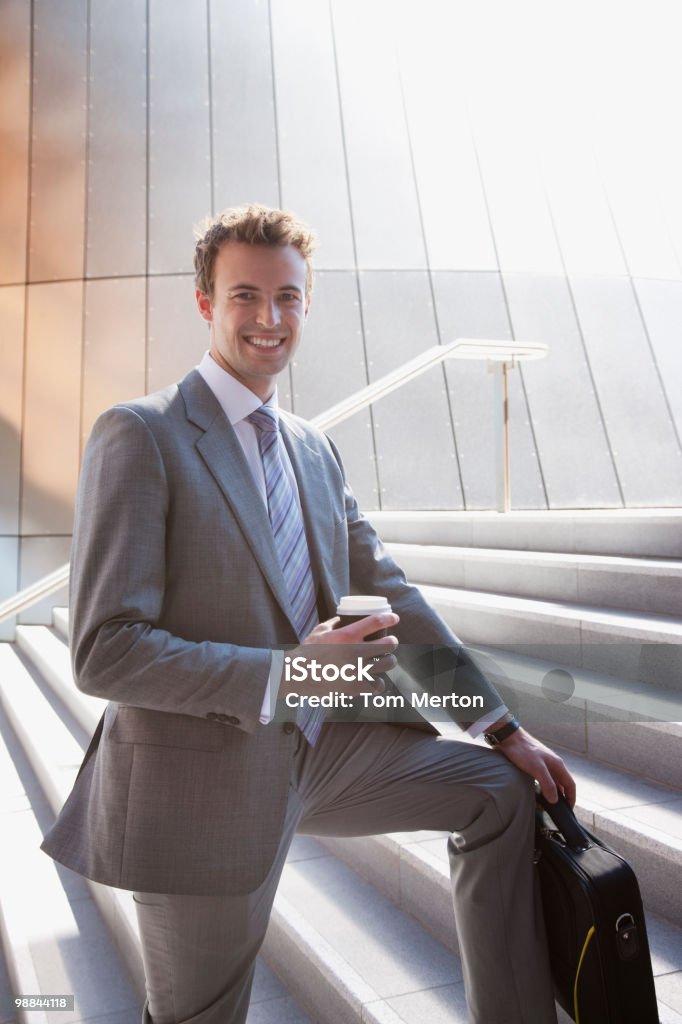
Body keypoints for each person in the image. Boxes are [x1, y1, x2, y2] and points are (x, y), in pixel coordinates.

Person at [41, 204, 575, 1024]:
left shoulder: (311, 449)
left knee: (498, 792)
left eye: (287, 297)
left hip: (322, 756)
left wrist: (501, 727)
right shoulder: (141, 435)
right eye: (245, 295)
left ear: (307, 304)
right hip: (199, 779)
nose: (268, 318)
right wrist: (292, 674)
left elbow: (394, 595)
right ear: (205, 303)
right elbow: (106, 651)